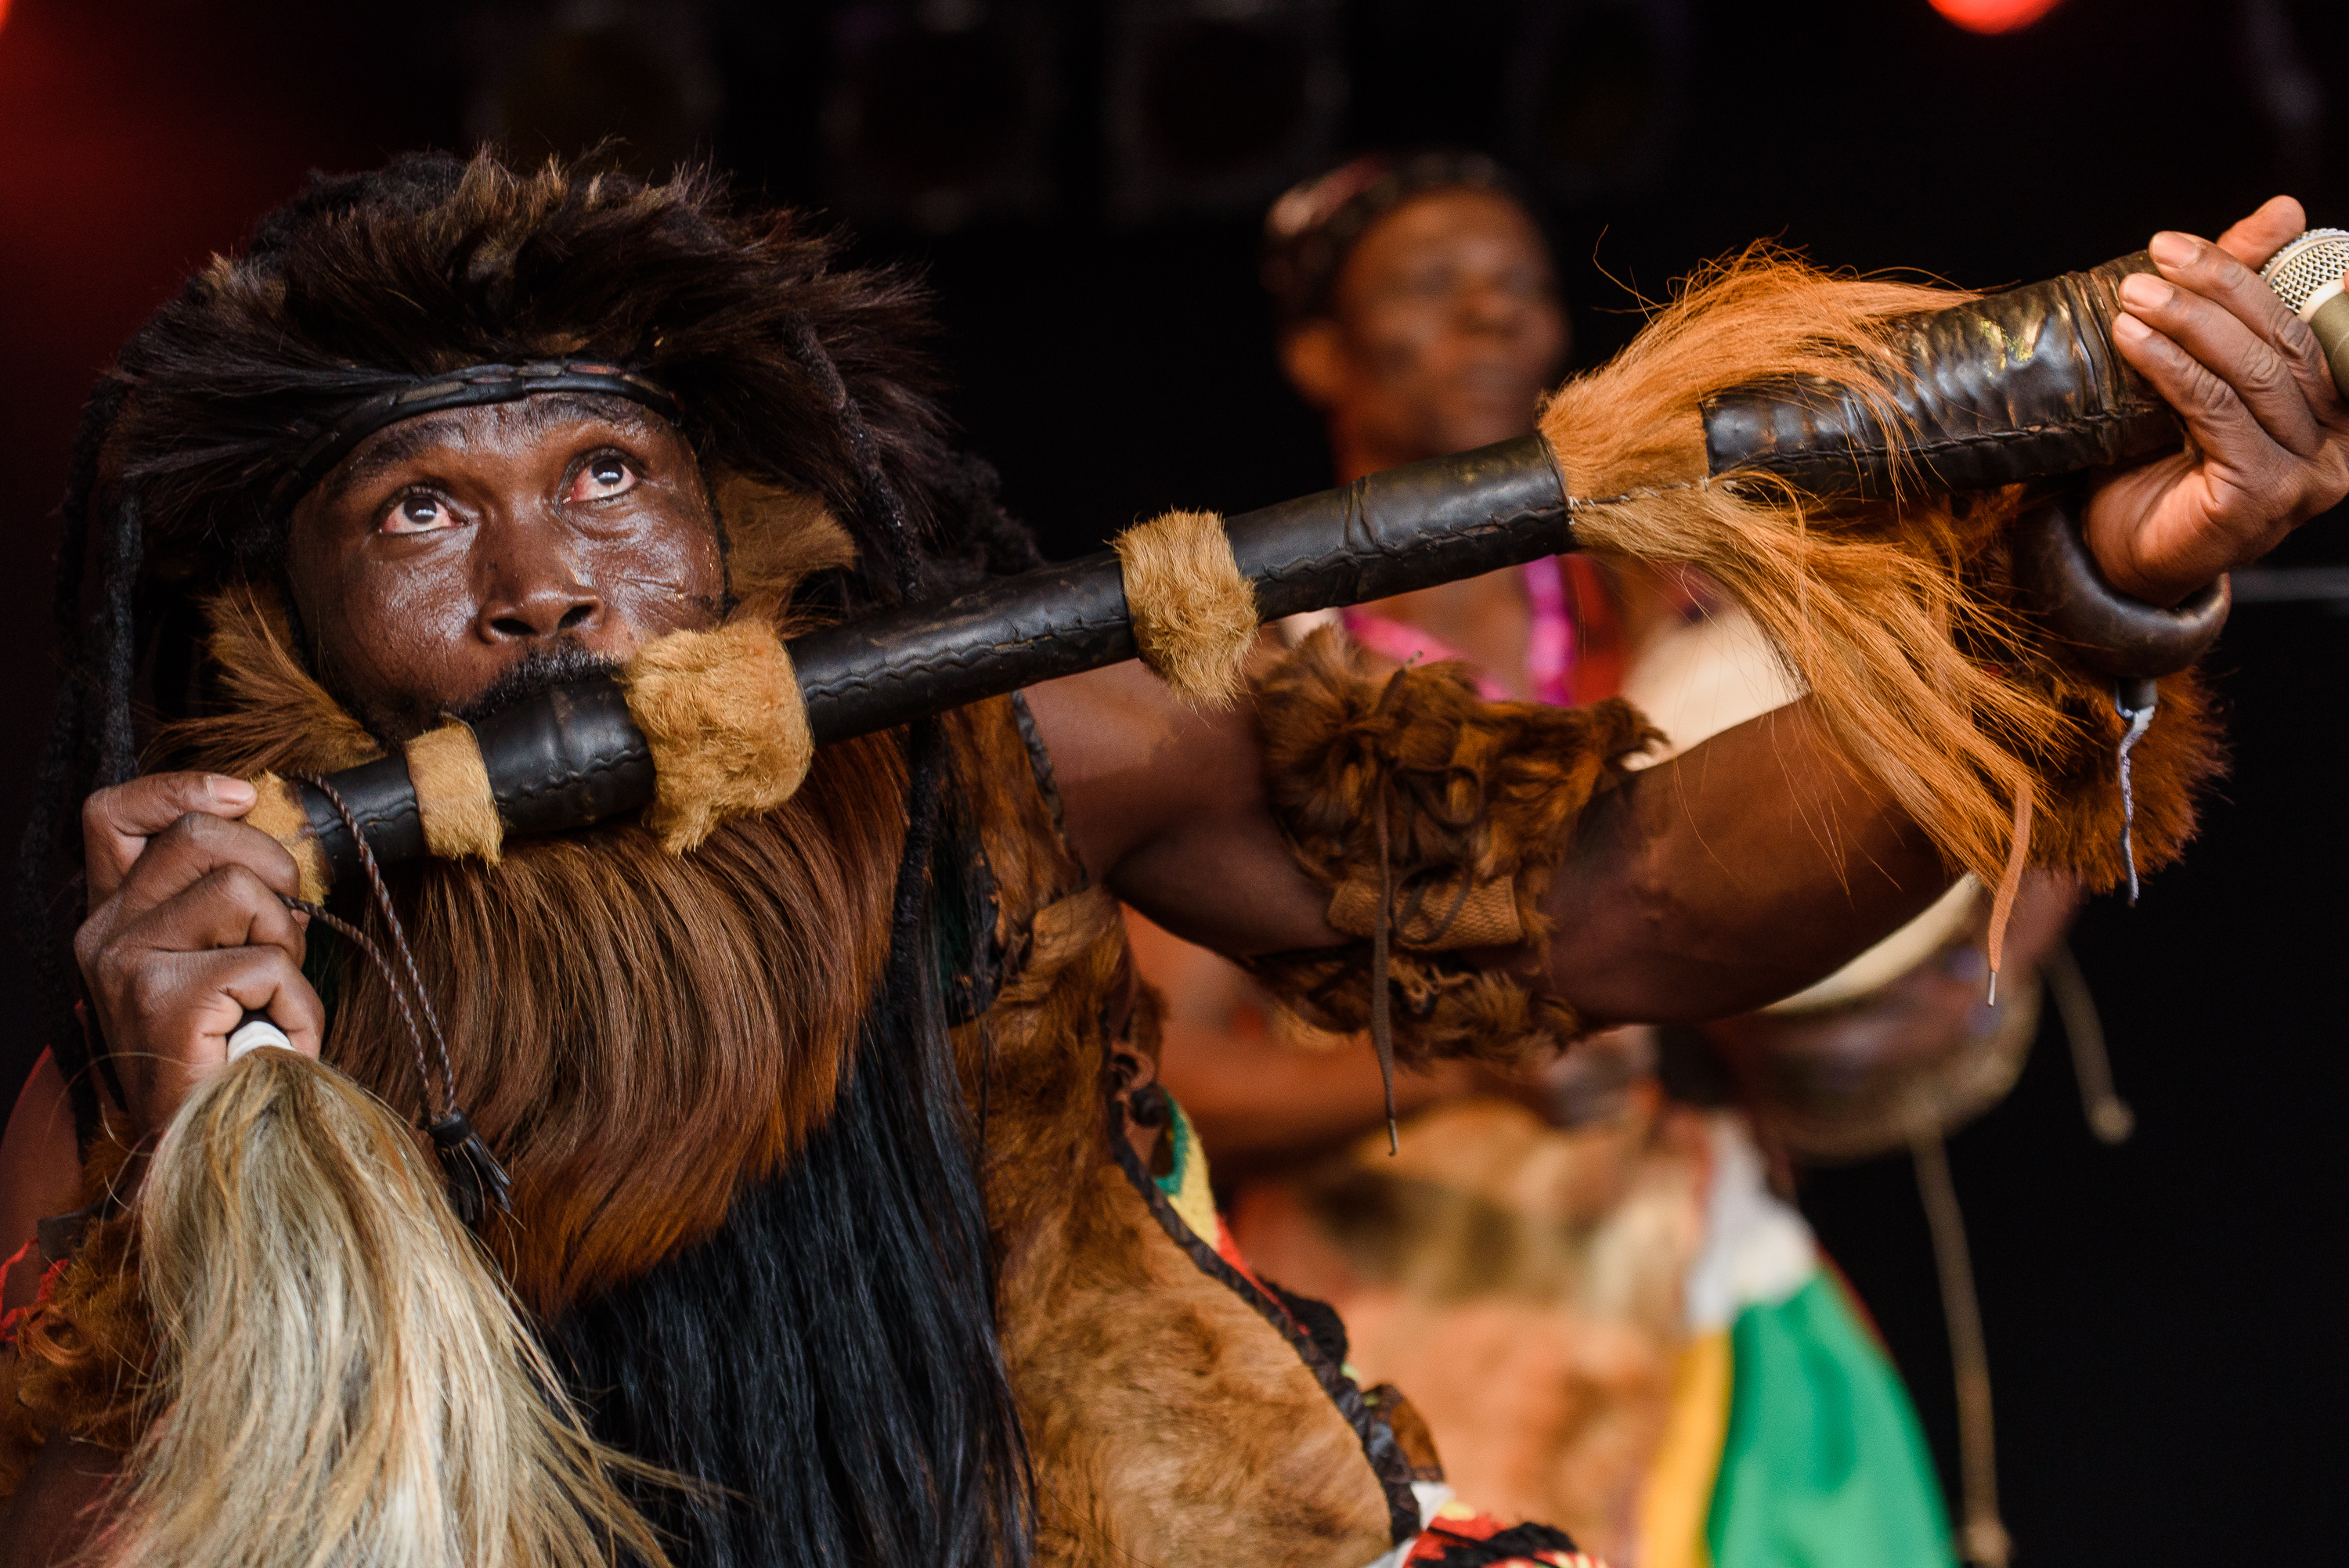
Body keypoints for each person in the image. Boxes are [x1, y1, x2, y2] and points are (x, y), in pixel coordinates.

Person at [0, 149, 2337, 1568]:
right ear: (285, 618)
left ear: (720, 517)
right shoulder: (197, 1017)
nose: (544, 587)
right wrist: (201, 1150)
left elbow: (1621, 899)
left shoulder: (1000, 747)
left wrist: (2073, 595)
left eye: (605, 475)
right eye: (425, 510)